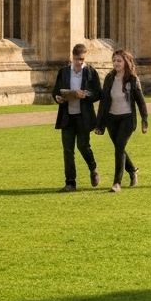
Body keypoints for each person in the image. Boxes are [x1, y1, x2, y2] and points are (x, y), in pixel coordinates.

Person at [95, 49, 149, 192]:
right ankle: (132, 170)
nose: (116, 63)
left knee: (119, 148)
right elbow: (104, 101)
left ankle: (117, 183)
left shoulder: (132, 79)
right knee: (120, 148)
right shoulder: (109, 78)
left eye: (119, 60)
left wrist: (145, 120)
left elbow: (140, 101)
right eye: (114, 60)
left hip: (127, 118)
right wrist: (99, 124)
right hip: (111, 118)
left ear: (125, 62)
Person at [52, 43, 102, 192]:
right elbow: (56, 91)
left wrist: (84, 95)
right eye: (76, 59)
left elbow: (98, 93)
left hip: (83, 117)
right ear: (72, 58)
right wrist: (58, 97)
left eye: (82, 59)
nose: (79, 62)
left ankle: (93, 169)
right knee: (68, 150)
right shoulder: (64, 72)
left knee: (83, 146)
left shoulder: (91, 72)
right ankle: (70, 183)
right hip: (67, 116)